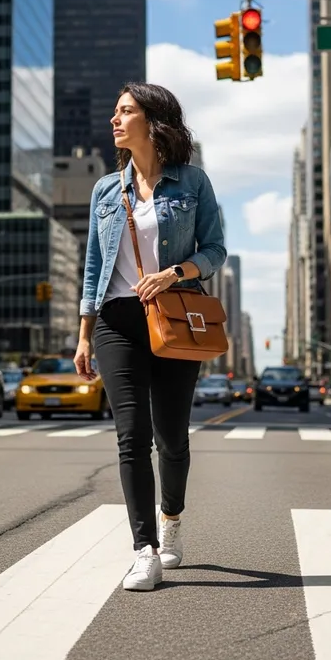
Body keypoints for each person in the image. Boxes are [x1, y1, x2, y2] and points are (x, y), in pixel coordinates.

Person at [74, 82, 226, 591]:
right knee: (131, 436)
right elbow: (94, 264)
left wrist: (175, 272)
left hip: (174, 317)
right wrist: (83, 333)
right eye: (115, 112)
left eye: (125, 112)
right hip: (117, 322)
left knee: (172, 438)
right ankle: (145, 550)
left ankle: (172, 518)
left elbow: (216, 250)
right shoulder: (103, 190)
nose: (115, 120)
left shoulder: (192, 183)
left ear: (151, 120)